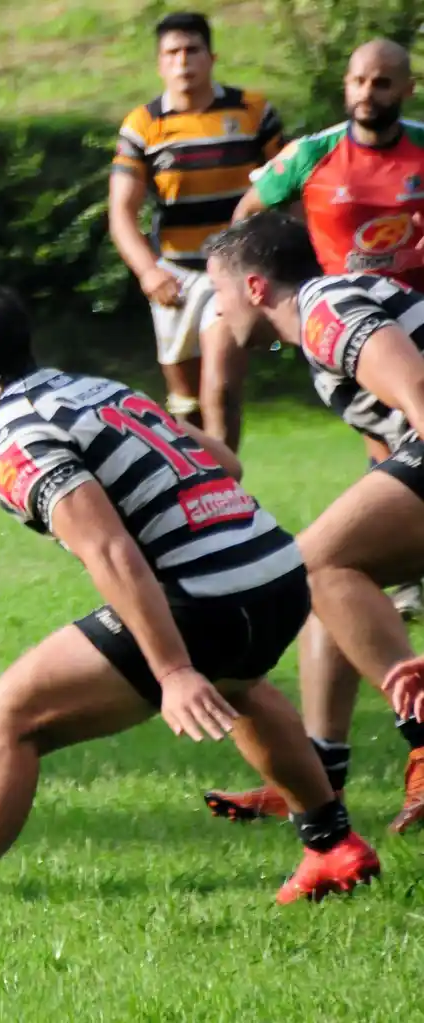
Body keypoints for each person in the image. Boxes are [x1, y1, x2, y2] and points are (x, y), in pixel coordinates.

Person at [0, 280, 384, 948]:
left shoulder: (17, 439)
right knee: (238, 683)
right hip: (277, 573)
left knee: (1, 719)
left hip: (210, 596)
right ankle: (332, 846)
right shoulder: (99, 390)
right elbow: (223, 462)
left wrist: (173, 670)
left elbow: (109, 548)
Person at [202, 211, 424, 834]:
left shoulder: (324, 308)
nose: (216, 310)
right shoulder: (323, 315)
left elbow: (417, 385)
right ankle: (319, 771)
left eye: (218, 291)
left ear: (254, 288)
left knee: (314, 563)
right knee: (325, 572)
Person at [229, 38, 424, 621]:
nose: (368, 93)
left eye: (382, 83)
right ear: (346, 85)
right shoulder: (311, 154)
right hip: (340, 320)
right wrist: (293, 262)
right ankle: (393, 572)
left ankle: (392, 570)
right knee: (383, 434)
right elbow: (247, 219)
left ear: (407, 89)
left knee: (400, 431)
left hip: (409, 315)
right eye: (359, 81)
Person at [109, 11, 284, 450]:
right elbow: (121, 213)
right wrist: (149, 272)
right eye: (172, 53)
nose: (183, 61)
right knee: (185, 402)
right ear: (159, 63)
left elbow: (289, 188)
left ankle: (227, 485)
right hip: (176, 276)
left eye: (192, 50)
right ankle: (194, 479)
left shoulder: (253, 112)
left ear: (212, 57)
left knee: (221, 389)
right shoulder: (143, 125)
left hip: (235, 270)